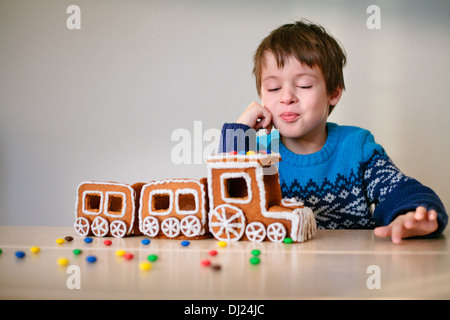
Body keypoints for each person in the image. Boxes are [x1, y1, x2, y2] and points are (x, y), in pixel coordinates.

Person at [219, 20, 447, 243]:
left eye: (304, 85)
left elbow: (401, 190)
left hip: (349, 275)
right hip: (280, 273)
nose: (286, 97)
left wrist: (410, 214)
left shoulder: (357, 147)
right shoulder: (257, 156)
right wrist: (240, 131)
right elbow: (226, 201)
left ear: (334, 93)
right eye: (274, 88)